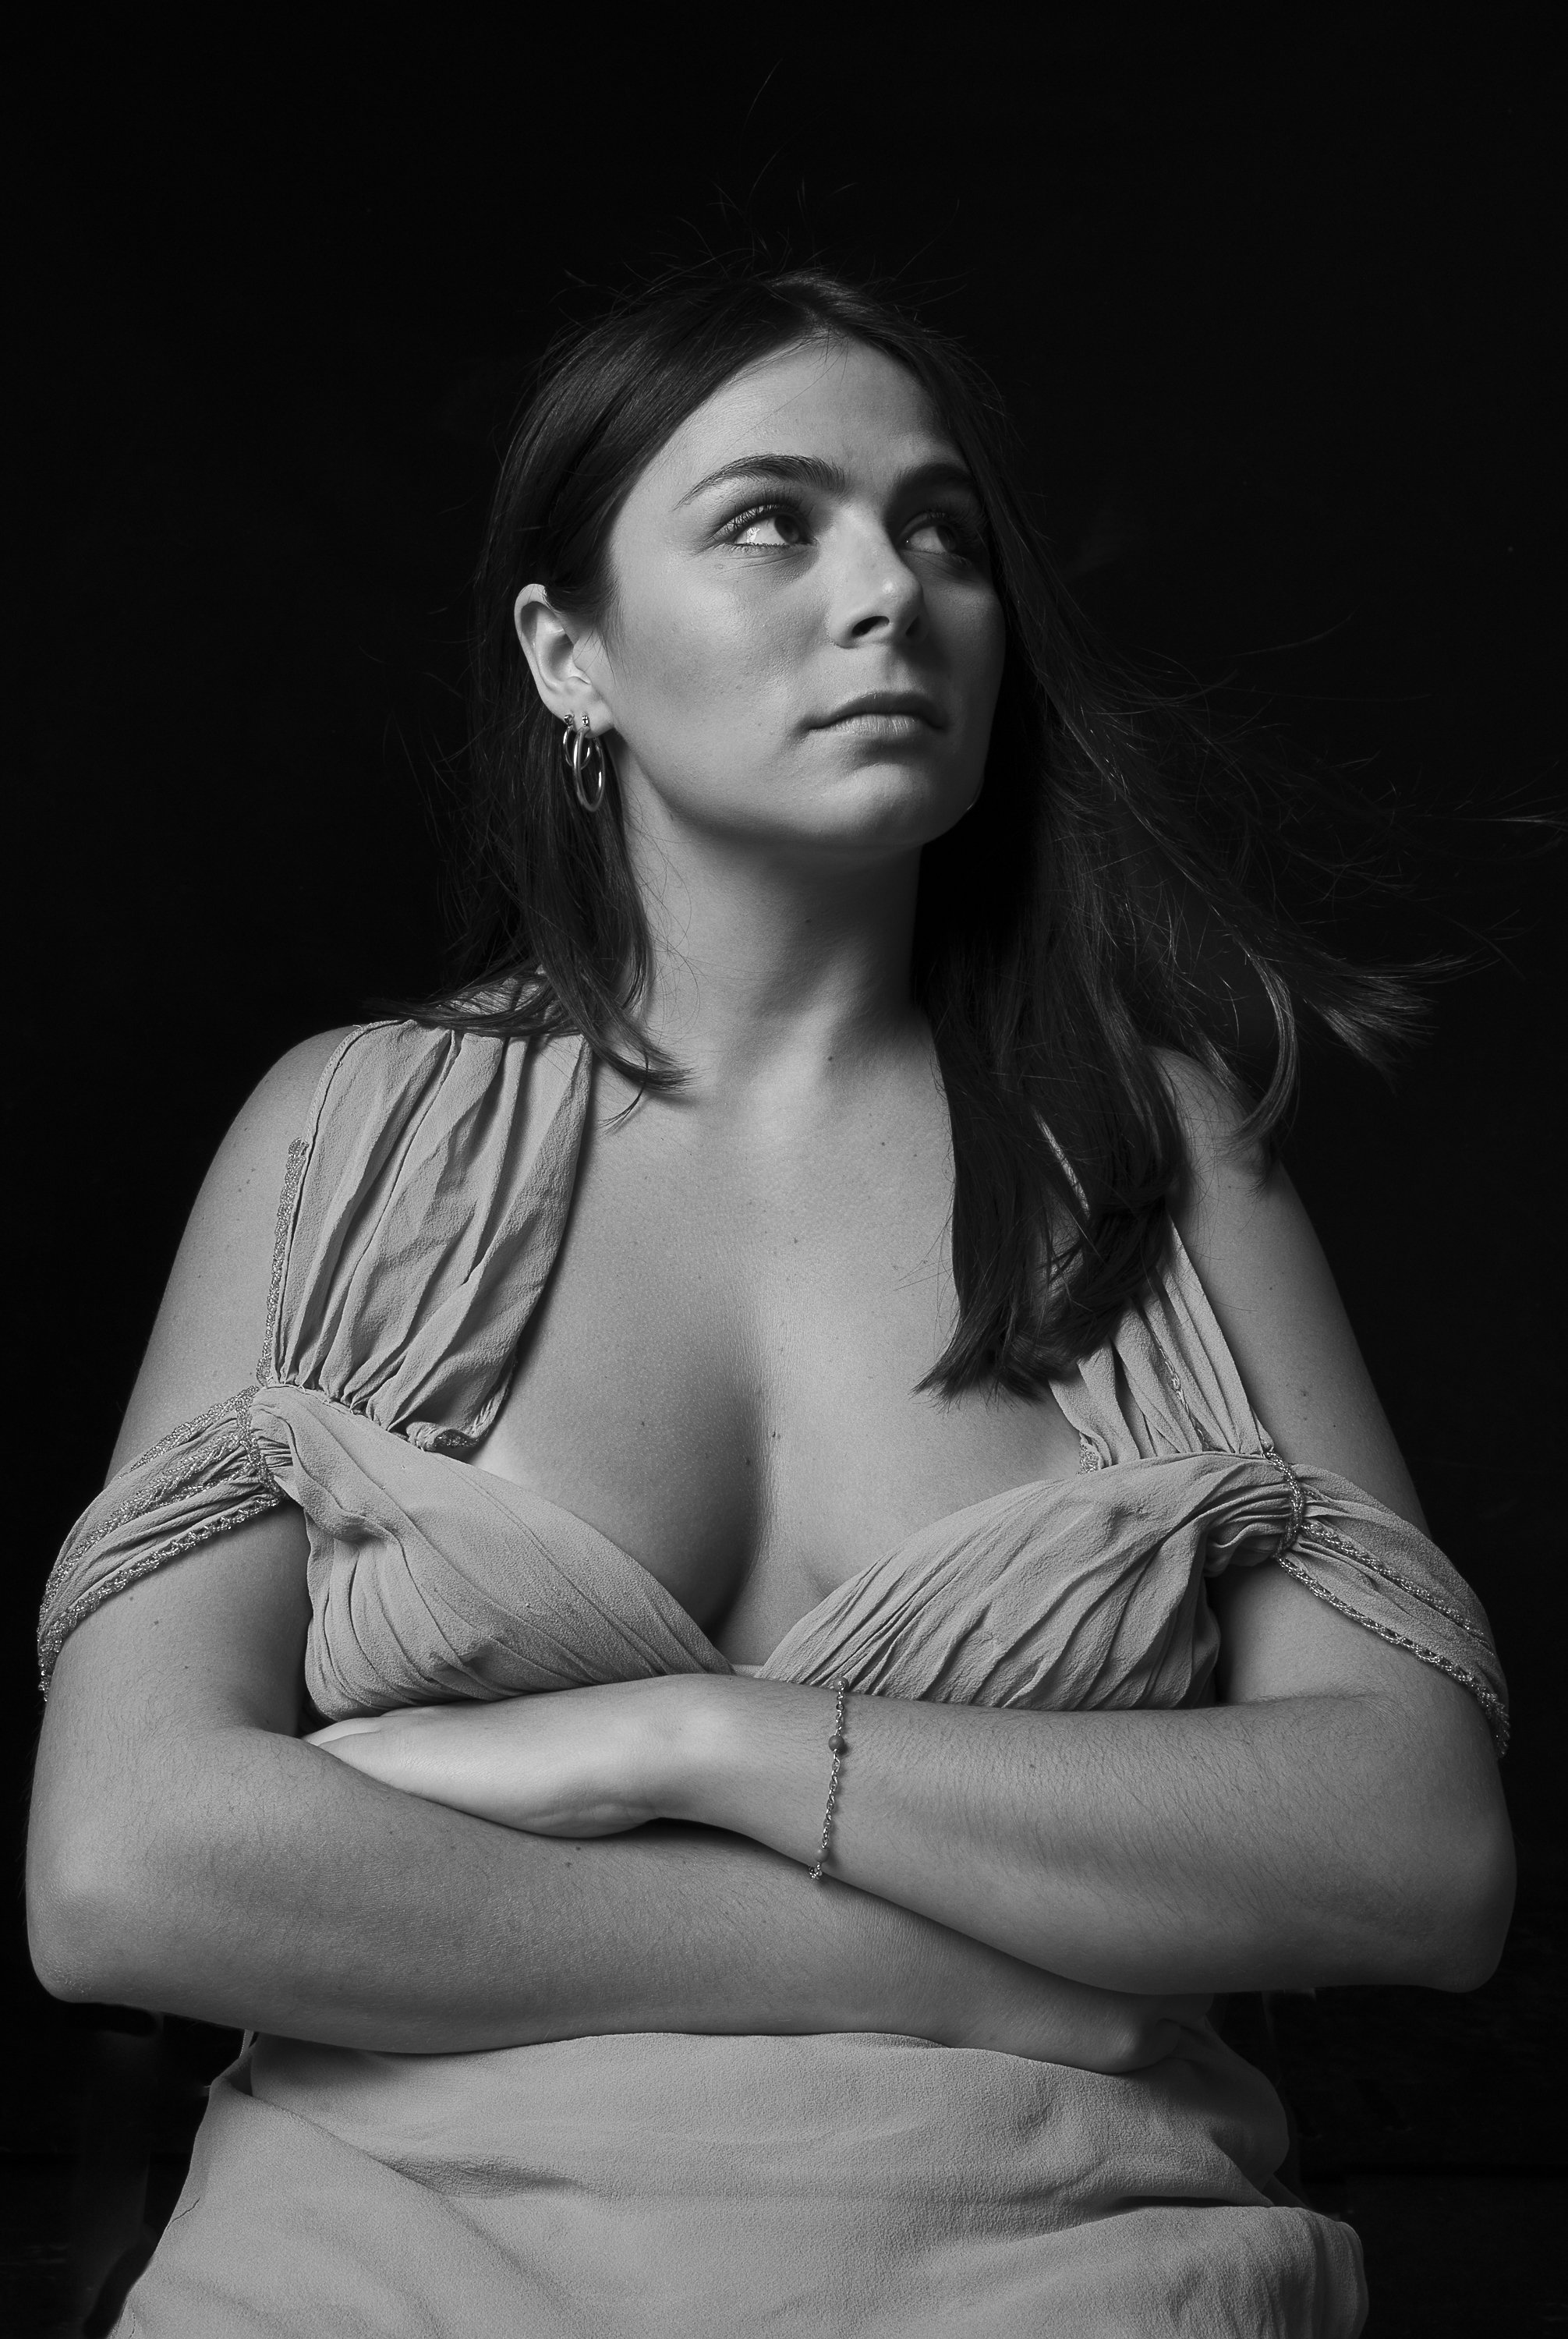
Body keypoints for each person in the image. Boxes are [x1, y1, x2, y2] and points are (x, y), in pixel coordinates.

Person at [27, 263, 1513, 2337]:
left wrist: (689, 1737)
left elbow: (1418, 1854)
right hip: (367, 2283)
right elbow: (125, 1870)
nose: (888, 591)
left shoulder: (1152, 1155)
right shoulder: (348, 1139)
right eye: (768, 521)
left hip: (1068, 2276)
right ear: (572, 656)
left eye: (940, 532)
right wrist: (957, 1967)